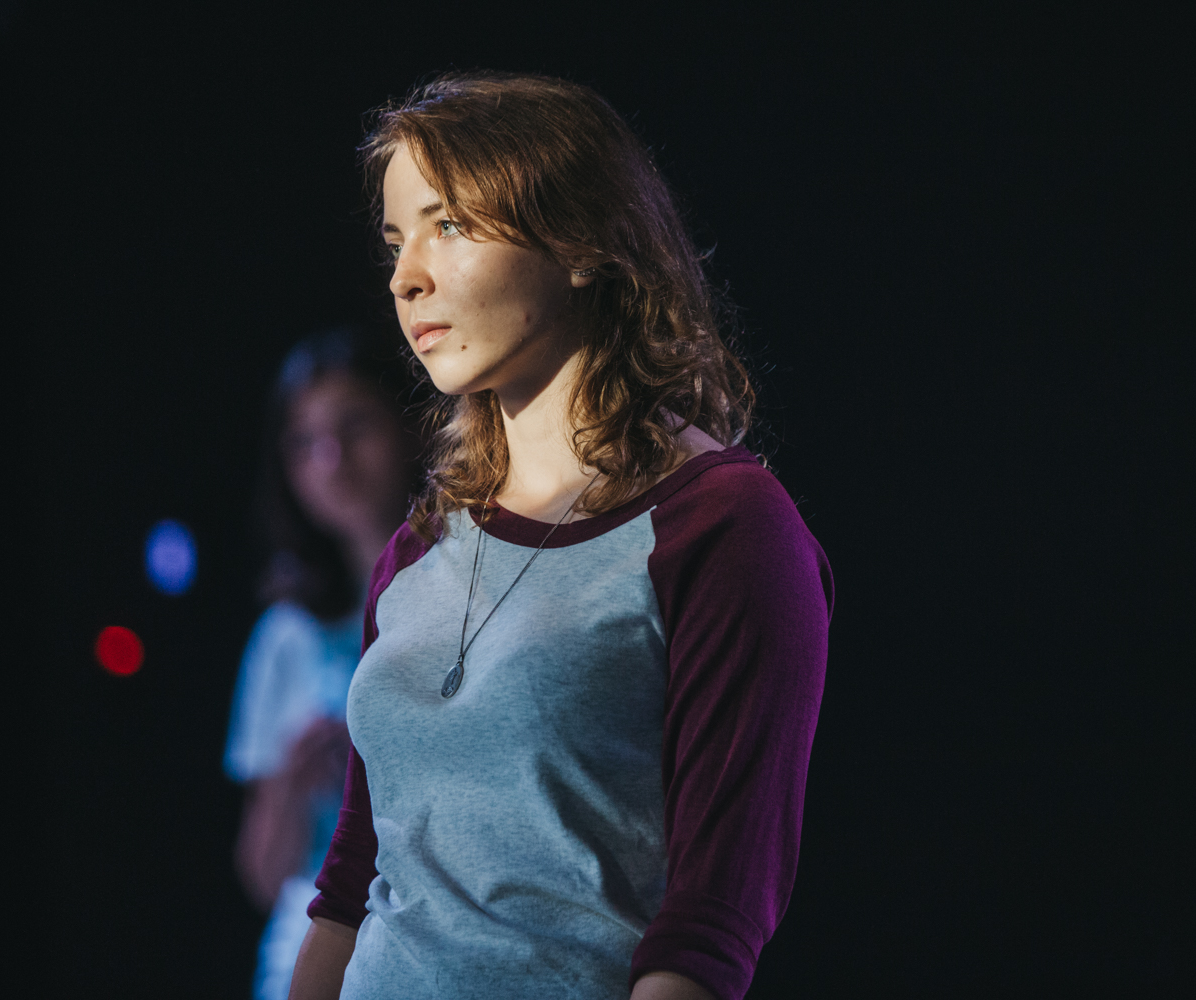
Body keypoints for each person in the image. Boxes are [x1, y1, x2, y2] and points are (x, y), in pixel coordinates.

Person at [290, 73, 833, 1000]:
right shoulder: (417, 551)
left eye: (448, 224)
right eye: (394, 240)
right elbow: (350, 887)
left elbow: (711, 922)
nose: (405, 276)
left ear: (580, 244)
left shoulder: (725, 529)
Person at [225, 329, 416, 1000]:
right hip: (315, 937)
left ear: (408, 424)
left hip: (435, 931)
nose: (332, 460)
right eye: (304, 443)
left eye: (355, 426)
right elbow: (262, 875)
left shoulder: (464, 595)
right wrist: (291, 778)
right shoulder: (288, 636)